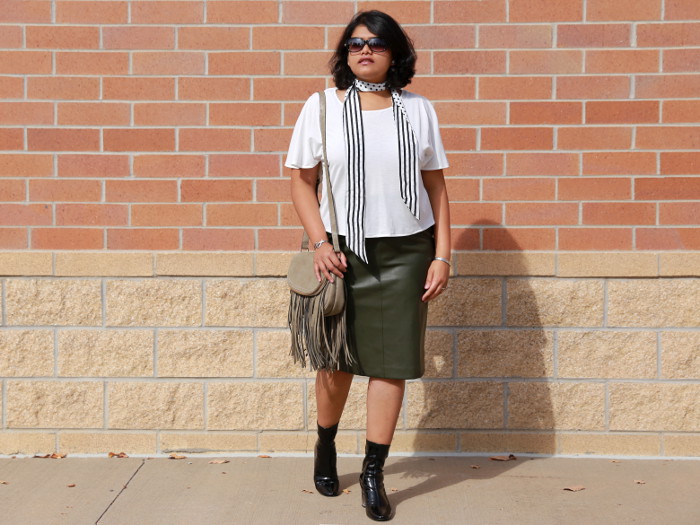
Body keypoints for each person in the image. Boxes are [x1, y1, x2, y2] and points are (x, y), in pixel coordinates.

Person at [285, 10, 451, 522]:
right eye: (355, 43)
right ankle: (326, 444)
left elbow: (437, 188)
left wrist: (442, 254)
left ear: (395, 54)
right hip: (342, 252)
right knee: (335, 362)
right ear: (345, 52)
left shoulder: (419, 110)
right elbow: (300, 181)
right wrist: (318, 243)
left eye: (377, 44)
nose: (365, 50)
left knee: (391, 364)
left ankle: (374, 472)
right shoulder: (320, 108)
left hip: (406, 253)